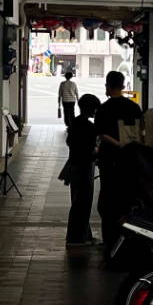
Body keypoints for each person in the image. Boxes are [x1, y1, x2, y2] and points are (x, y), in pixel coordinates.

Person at [93, 71, 144, 257]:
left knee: (108, 201)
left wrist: (117, 145)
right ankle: (128, 239)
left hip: (109, 161)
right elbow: (140, 132)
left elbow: (102, 135)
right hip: (131, 161)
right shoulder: (134, 107)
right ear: (123, 86)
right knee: (127, 199)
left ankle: (110, 240)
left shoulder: (103, 109)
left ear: (107, 86)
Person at [62, 94, 101, 245]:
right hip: (84, 167)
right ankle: (77, 238)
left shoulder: (76, 122)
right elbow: (92, 149)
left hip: (74, 166)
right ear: (91, 109)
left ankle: (84, 235)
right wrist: (98, 151)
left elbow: (69, 142)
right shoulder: (89, 127)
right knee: (83, 203)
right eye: (95, 109)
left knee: (78, 201)